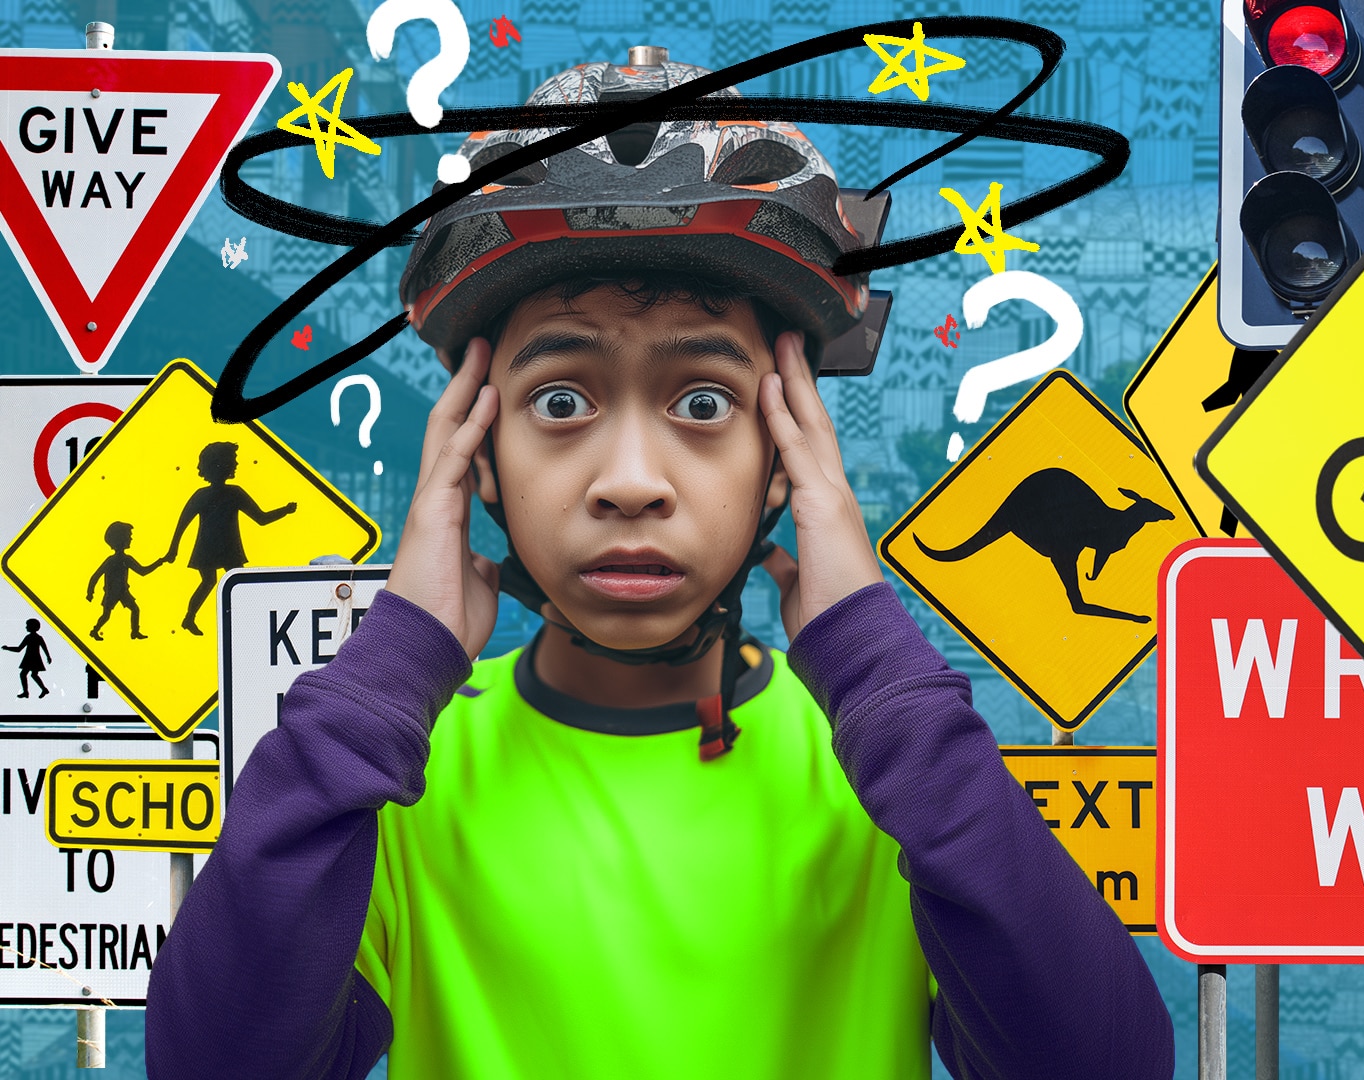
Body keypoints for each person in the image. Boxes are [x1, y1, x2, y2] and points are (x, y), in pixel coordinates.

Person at [147, 52, 1173, 1079]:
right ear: (476, 453)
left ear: (789, 456)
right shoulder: (395, 780)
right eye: (560, 401)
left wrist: (878, 667)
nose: (631, 482)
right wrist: (385, 675)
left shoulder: (890, 775)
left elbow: (1107, 1065)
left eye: (703, 403)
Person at [163, 441, 297, 635]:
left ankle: (238, 620)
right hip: (210, 547)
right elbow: (183, 521)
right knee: (212, 582)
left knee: (232, 582)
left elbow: (261, 518)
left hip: (227, 548)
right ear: (220, 464)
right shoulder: (206, 494)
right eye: (233, 461)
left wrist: (284, 511)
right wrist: (173, 548)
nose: (236, 464)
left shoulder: (234, 492)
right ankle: (190, 618)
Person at [85, 521, 161, 642]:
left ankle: (135, 632)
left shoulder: (127, 559)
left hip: (123, 592)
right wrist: (90, 592)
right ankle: (94, 631)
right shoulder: (112, 560)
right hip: (111, 593)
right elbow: (96, 576)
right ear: (121, 539)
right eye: (129, 536)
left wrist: (160, 562)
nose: (131, 539)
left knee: (135, 609)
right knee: (106, 615)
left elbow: (142, 571)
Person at [3, 618, 52, 696]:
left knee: (24, 674)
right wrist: (48, 657)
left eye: (28, 625)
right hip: (33, 659)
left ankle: (28, 692)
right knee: (32, 675)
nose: (26, 627)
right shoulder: (36, 637)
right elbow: (19, 649)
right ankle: (42, 689)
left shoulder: (31, 637)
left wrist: (7, 648)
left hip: (30, 659)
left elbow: (19, 649)